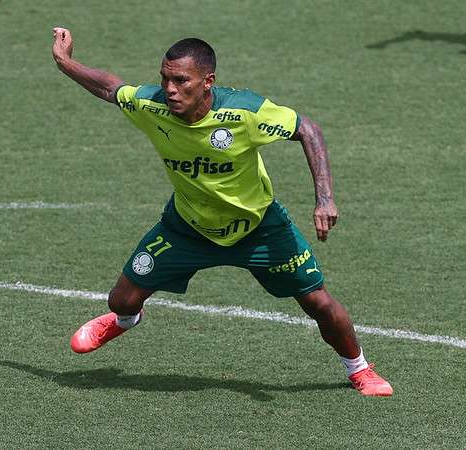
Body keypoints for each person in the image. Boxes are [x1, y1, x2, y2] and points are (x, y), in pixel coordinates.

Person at [51, 27, 392, 397]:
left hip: (260, 229)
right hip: (187, 227)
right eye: (164, 78)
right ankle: (125, 320)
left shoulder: (244, 112)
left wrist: (324, 198)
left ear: (208, 81)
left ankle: (359, 369)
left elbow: (307, 129)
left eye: (181, 81)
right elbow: (110, 88)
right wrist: (64, 61)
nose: (169, 90)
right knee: (121, 300)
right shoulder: (152, 105)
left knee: (318, 303)